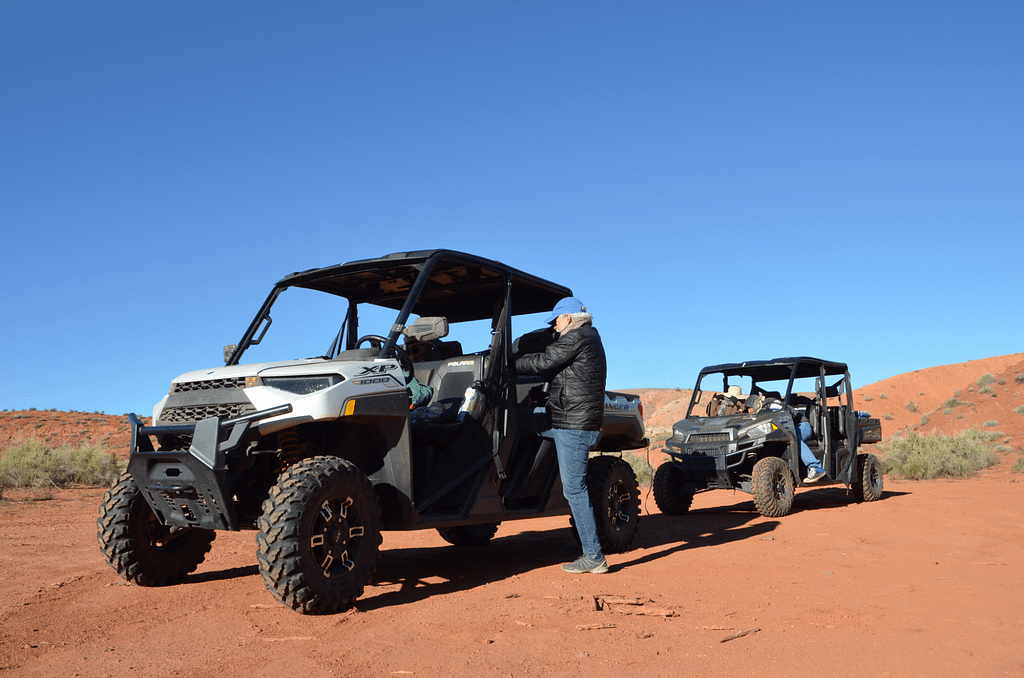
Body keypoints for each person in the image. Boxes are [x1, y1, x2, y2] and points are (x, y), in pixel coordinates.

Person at [515, 297, 609, 575]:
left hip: (573, 426)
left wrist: (508, 363)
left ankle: (594, 555)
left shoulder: (578, 336)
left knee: (574, 489)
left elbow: (545, 361)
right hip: (566, 420)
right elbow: (567, 376)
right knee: (515, 419)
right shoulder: (588, 338)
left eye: (556, 321)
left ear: (567, 318)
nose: (554, 327)